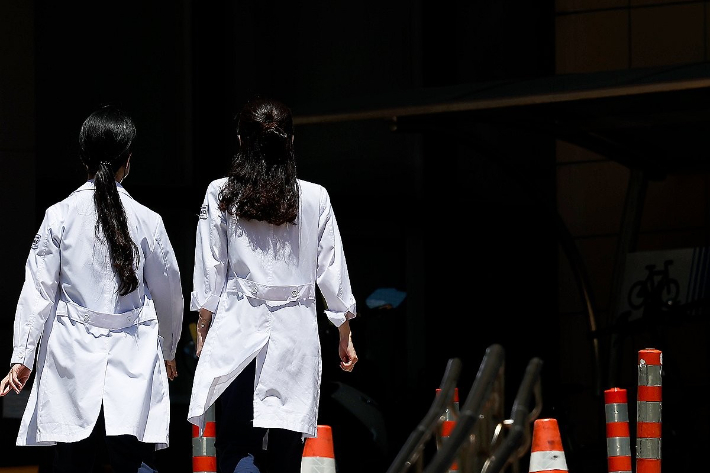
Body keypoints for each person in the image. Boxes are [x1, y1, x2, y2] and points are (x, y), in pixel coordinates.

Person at [0, 105, 184, 473]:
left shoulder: (59, 215)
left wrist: (23, 356)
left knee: (73, 460)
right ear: (126, 161)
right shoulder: (148, 220)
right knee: (132, 459)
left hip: (71, 353)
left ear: (84, 157)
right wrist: (169, 347)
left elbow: (37, 291)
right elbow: (170, 294)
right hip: (133, 352)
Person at [188, 96, 358, 473]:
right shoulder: (315, 197)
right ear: (291, 142)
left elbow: (210, 266)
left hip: (239, 326)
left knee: (237, 444)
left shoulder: (221, 193)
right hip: (295, 331)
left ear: (240, 142)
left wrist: (203, 327)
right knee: (286, 447)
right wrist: (344, 332)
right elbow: (332, 271)